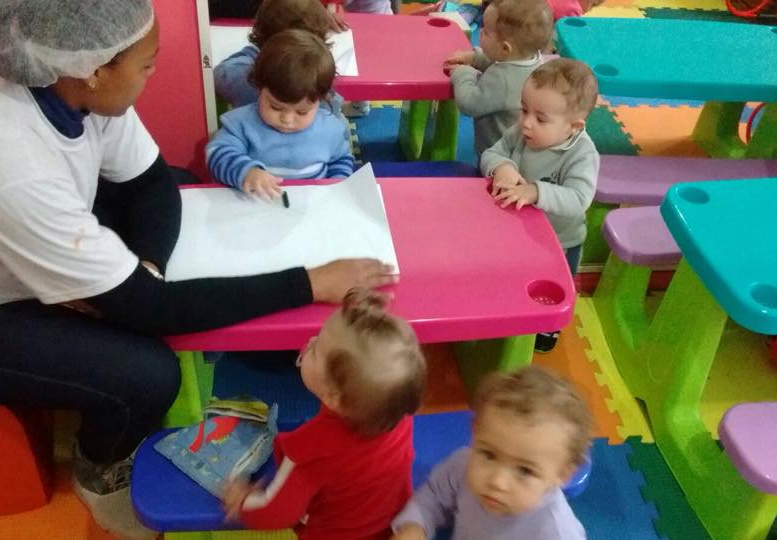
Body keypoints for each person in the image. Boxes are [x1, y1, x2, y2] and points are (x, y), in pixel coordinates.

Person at [0, 1, 395, 538]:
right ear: (95, 71)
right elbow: (152, 310)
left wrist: (148, 267)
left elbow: (153, 181)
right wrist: (309, 281)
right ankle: (101, 472)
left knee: (181, 188)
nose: (154, 72)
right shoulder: (7, 162)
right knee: (148, 374)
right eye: (146, 65)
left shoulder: (70, 83)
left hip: (2, 249)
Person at [222, 289, 426, 540]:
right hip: (389, 527)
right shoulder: (396, 413)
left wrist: (243, 500)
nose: (309, 341)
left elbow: (276, 512)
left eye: (316, 348)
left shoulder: (310, 451)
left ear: (334, 397)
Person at [391, 365, 591, 539]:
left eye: (525, 471)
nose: (497, 482)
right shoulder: (462, 465)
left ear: (562, 474)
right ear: (475, 431)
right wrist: (413, 526)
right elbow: (434, 495)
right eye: (489, 455)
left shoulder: (557, 531)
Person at [481, 59, 599, 352]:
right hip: (516, 230)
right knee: (514, 275)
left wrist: (536, 192)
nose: (526, 122)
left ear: (573, 127)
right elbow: (492, 153)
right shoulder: (522, 132)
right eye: (524, 110)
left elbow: (579, 199)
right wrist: (502, 166)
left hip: (560, 241)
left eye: (541, 119)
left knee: (550, 288)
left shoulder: (582, 155)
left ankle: (548, 326)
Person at [207, 29, 354, 199]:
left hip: (310, 206)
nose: (287, 120)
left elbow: (341, 160)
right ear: (259, 87)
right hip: (256, 204)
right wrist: (247, 172)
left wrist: (336, 185)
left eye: (302, 112)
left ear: (320, 100)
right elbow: (217, 153)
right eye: (275, 107)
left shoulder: (330, 129)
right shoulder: (240, 124)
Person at [444, 0, 552, 158]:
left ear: (505, 48)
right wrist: (474, 58)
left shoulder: (502, 79)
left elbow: (469, 103)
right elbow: (497, 59)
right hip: (518, 148)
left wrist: (463, 73)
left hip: (498, 154)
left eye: (486, 31)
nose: (480, 31)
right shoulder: (531, 59)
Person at [212, 0, 341, 110]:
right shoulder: (317, 85)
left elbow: (219, 74)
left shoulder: (241, 75)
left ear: (260, 31)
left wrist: (253, 51)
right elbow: (335, 114)